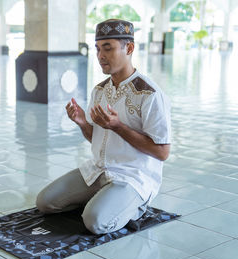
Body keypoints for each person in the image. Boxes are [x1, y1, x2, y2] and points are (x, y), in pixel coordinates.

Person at [36, 19, 171, 235]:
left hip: (132, 176)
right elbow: (96, 138)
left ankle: (134, 205)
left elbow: (162, 152)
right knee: (45, 202)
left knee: (96, 222)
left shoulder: (150, 94)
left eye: (107, 48)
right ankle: (104, 200)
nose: (100, 56)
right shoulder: (99, 91)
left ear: (129, 48)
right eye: (98, 49)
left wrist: (118, 127)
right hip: (99, 169)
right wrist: (82, 122)